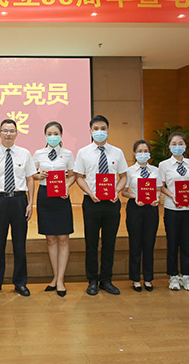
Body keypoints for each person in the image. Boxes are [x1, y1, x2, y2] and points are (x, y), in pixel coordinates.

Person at [74, 115, 128, 296]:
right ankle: (92, 280)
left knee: (109, 242)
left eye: (103, 128)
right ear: (90, 131)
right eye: (96, 129)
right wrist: (90, 193)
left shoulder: (117, 152)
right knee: (91, 242)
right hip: (92, 203)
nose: (99, 131)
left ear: (108, 130)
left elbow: (123, 176)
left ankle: (106, 279)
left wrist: (117, 191)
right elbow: (79, 177)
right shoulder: (83, 152)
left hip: (112, 203)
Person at [0, 119, 36, 297]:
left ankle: (20, 283)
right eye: (5, 131)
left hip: (19, 200)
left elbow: (30, 179)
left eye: (12, 131)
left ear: (16, 133)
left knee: (20, 244)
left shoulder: (25, 154)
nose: (8, 134)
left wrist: (30, 203)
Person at [33, 121, 75, 297]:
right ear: (45, 136)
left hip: (61, 197)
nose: (52, 137)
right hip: (45, 196)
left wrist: (66, 186)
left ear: (61, 135)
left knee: (63, 238)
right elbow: (31, 174)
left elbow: (73, 175)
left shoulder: (68, 154)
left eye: (55, 133)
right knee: (50, 239)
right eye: (49, 134)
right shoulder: (38, 154)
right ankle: (55, 277)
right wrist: (38, 176)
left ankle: (60, 279)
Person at [159, 131, 189, 291]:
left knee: (187, 242)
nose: (177, 146)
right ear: (169, 147)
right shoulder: (164, 165)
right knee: (172, 242)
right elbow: (161, 186)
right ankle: (173, 276)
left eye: (180, 143)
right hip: (172, 208)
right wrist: (173, 196)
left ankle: (187, 275)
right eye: (174, 144)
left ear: (185, 146)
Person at [122, 140, 161, 292]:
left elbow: (158, 189)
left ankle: (148, 278)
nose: (143, 154)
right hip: (135, 208)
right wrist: (135, 197)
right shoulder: (129, 171)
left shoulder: (156, 170)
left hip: (151, 208)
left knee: (149, 243)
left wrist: (157, 198)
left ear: (149, 153)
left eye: (145, 151)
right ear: (134, 153)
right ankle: (136, 278)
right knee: (135, 243)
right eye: (139, 151)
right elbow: (124, 192)